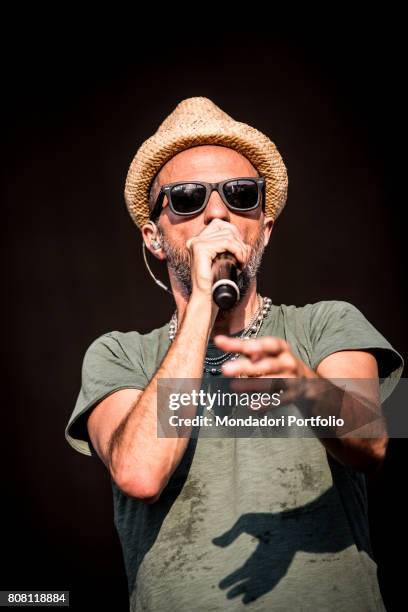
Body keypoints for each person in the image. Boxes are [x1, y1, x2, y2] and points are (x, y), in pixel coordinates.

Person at [65, 97, 404, 611]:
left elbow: (374, 443)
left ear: (263, 229)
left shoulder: (327, 323)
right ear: (154, 238)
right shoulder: (119, 354)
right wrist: (202, 303)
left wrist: (303, 388)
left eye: (241, 195)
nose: (217, 212)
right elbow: (139, 473)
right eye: (187, 198)